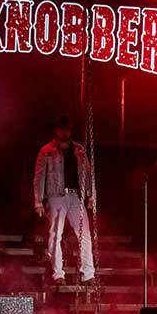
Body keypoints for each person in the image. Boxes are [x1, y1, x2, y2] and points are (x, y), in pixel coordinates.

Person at [33, 114, 96, 286]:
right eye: (61, 129)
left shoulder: (79, 149)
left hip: (76, 196)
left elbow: (88, 173)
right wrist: (38, 201)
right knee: (55, 234)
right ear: (56, 130)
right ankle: (58, 274)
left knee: (85, 234)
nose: (65, 132)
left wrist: (91, 195)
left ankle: (88, 274)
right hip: (56, 196)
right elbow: (39, 177)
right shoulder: (47, 151)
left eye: (67, 129)